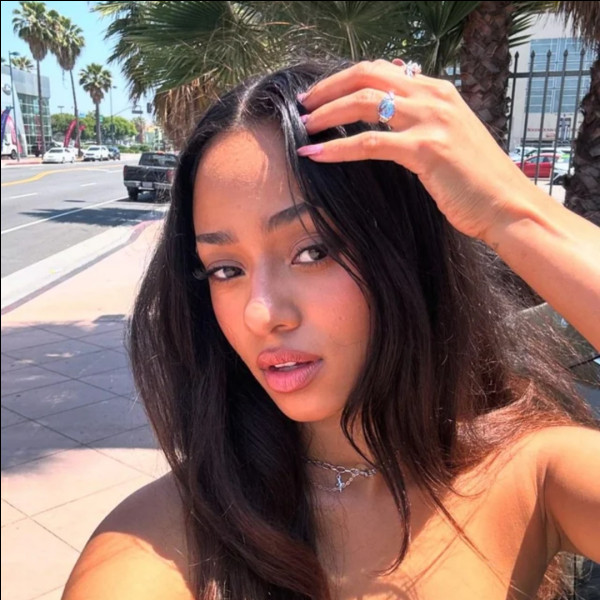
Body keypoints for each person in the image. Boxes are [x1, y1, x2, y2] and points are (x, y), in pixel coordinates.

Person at [62, 59, 600, 600]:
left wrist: (514, 211)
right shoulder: (164, 536)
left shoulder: (532, 473)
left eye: (312, 251)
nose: (260, 313)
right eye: (226, 269)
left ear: (404, 251)